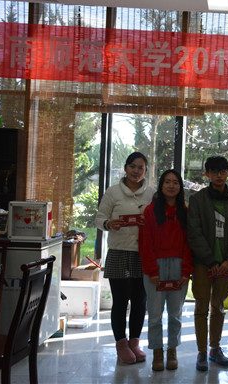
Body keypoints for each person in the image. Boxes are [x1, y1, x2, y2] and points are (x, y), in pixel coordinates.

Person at [95, 151, 155, 364]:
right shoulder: (113, 192)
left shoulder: (151, 193)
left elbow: (158, 219)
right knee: (120, 301)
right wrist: (109, 224)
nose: (136, 171)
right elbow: (99, 218)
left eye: (140, 167)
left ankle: (134, 343)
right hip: (119, 251)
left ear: (145, 170)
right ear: (126, 168)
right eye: (133, 167)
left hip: (143, 253)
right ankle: (121, 344)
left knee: (140, 300)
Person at [187, 156, 228, 372]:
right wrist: (210, 260)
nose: (219, 176)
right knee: (201, 306)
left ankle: (215, 348)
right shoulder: (197, 200)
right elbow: (194, 233)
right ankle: (202, 351)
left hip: (225, 265)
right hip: (203, 264)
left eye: (222, 171)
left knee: (219, 306)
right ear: (207, 174)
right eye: (214, 172)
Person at [139, 169, 193, 371]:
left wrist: (186, 271)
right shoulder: (150, 211)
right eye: (167, 182)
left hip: (179, 266)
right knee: (154, 314)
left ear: (180, 187)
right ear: (161, 186)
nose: (171, 186)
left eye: (175, 182)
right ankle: (157, 351)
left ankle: (172, 350)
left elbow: (189, 244)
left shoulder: (185, 212)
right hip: (156, 267)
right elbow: (145, 243)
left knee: (175, 314)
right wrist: (151, 270)